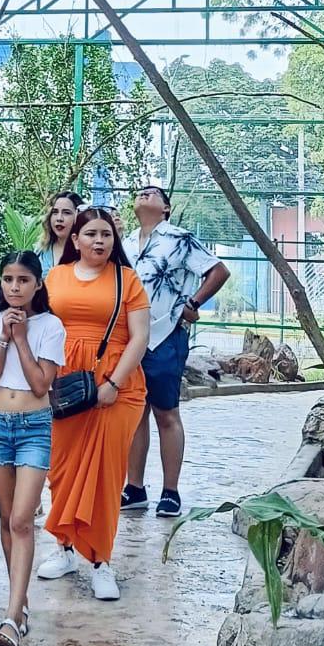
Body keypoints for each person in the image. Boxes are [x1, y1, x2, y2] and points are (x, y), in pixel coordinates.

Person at [39, 206, 151, 601]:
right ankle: (65, 549)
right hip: (65, 383)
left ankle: (102, 560)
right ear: (75, 240)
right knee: (63, 468)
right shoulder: (55, 277)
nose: (99, 241)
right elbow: (40, 326)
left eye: (106, 234)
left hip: (116, 387)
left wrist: (113, 383)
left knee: (105, 473)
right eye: (90, 234)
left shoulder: (128, 279)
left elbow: (139, 338)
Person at [0, 250, 66, 646]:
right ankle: (21, 603)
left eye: (23, 280)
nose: (14, 287)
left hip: (33, 427)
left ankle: (11, 617)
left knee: (22, 520)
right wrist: (2, 338)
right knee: (6, 518)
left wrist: (23, 339)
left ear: (37, 284)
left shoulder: (51, 326)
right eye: (8, 279)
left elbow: (40, 384)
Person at [122, 185, 231, 519]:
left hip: (165, 335)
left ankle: (170, 491)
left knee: (165, 412)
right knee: (134, 413)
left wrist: (192, 303)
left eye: (153, 193)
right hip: (128, 338)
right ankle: (135, 487)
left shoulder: (179, 238)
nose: (144, 195)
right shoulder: (124, 243)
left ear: (166, 208)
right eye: (139, 192)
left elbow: (218, 270)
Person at [37, 190, 84, 275]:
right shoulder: (40, 251)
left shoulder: (86, 253)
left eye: (66, 213)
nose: (59, 218)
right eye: (55, 212)